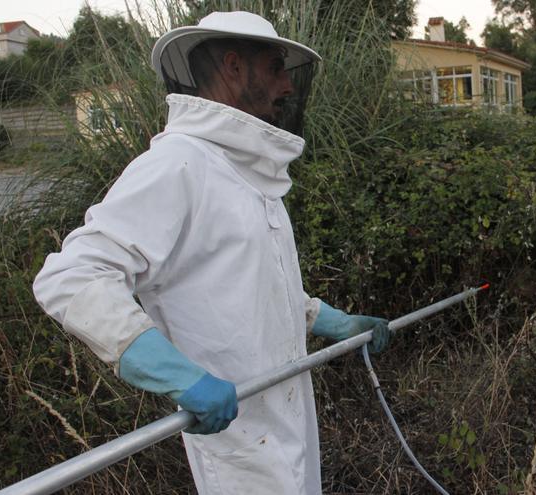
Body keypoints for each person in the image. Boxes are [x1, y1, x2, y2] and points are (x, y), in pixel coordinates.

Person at [32, 11, 389, 494]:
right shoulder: (178, 164)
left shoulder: (248, 172)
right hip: (238, 445)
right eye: (275, 67)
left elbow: (252, 286)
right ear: (235, 67)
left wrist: (334, 322)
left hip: (284, 420)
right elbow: (72, 276)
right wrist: (173, 373)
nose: (287, 85)